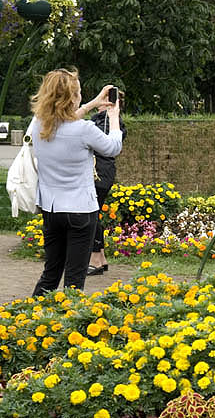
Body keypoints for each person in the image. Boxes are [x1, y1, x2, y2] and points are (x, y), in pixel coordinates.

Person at [30, 68, 123, 296]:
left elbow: (63, 120)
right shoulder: (84, 130)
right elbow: (113, 148)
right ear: (73, 97)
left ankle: (31, 321)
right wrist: (113, 118)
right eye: (79, 92)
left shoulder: (37, 125)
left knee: (50, 273)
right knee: (74, 281)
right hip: (81, 210)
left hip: (51, 209)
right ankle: (66, 326)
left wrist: (92, 104)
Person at [86, 91, 127, 276]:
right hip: (104, 173)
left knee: (90, 215)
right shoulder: (114, 122)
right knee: (94, 214)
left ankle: (95, 258)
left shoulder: (103, 122)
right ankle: (100, 257)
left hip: (97, 173)